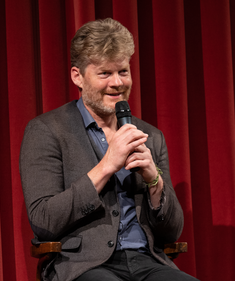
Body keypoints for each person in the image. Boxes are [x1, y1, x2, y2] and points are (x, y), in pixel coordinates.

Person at [19, 18, 198, 281]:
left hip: (147, 261)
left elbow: (171, 232)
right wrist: (106, 166)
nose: (117, 83)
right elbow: (44, 221)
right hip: (85, 265)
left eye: (123, 71)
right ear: (77, 76)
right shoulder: (46, 130)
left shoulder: (150, 136)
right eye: (105, 73)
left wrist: (154, 181)